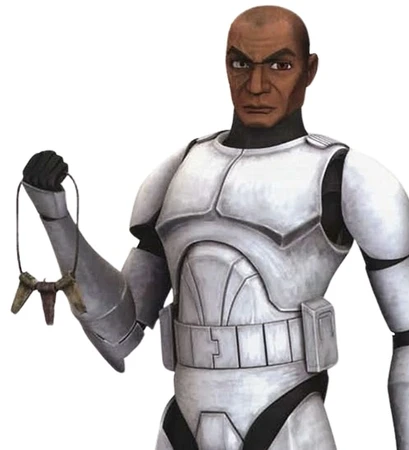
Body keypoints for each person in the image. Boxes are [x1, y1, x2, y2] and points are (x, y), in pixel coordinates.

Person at [20, 5, 409, 450]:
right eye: (241, 64)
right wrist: (56, 217)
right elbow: (119, 334)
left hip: (287, 419)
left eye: (279, 66)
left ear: (310, 70)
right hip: (182, 426)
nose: (256, 85)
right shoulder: (178, 171)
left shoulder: (347, 177)